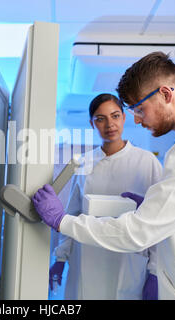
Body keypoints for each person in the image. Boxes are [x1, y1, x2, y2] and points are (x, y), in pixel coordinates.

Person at [34, 52, 175, 299]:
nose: (136, 119)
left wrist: (61, 221)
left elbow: (138, 231)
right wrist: (156, 207)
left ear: (165, 94)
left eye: (139, 109)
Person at [49, 93, 162, 300]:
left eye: (115, 116)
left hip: (128, 262)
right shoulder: (83, 163)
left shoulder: (147, 162)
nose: (110, 124)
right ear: (92, 124)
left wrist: (155, 272)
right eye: (100, 119)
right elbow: (72, 214)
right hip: (87, 259)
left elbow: (159, 221)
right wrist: (61, 257)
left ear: (124, 117)